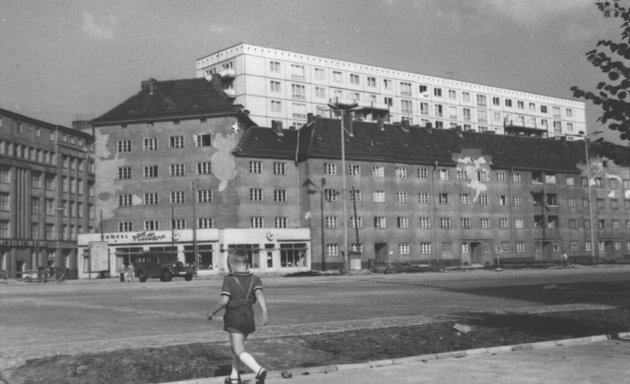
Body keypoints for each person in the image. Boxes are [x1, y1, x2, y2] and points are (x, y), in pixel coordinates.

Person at [208, 249, 268, 384]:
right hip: (248, 320)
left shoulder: (229, 280)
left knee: (238, 349)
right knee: (237, 348)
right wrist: (265, 311)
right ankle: (234, 377)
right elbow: (259, 295)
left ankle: (259, 371)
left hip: (234, 319)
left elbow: (224, 300)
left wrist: (212, 312)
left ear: (231, 265)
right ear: (247, 263)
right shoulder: (255, 279)